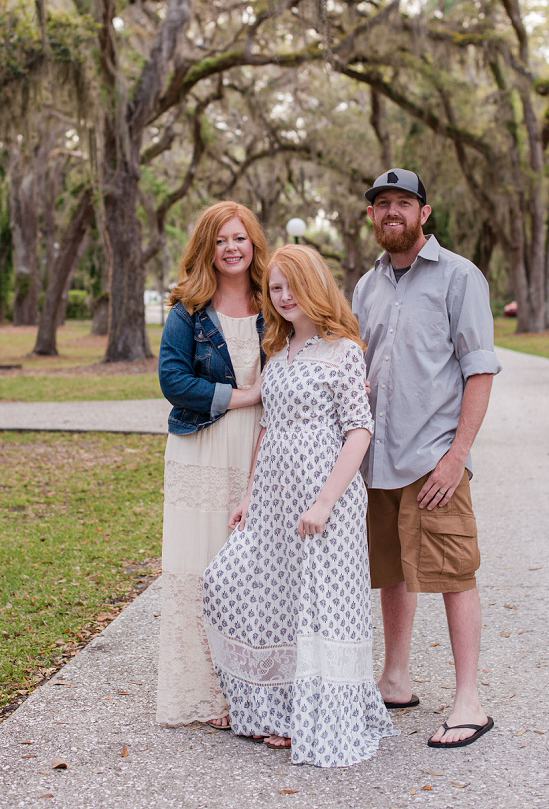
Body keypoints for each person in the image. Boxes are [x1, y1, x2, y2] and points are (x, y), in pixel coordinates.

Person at [202, 244, 392, 766]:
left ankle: (313, 718)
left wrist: (326, 502)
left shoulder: (344, 351)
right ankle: (272, 709)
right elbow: (267, 428)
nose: (283, 297)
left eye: (292, 286)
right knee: (240, 585)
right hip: (273, 497)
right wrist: (248, 496)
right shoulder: (278, 354)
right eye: (276, 288)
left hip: (325, 499)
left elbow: (359, 430)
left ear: (315, 285)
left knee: (316, 605)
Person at [352, 168, 502, 748]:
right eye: (382, 204)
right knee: (392, 570)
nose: (392, 212)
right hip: (377, 462)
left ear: (424, 212)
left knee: (454, 573)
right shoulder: (367, 287)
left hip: (432, 461)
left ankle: (470, 700)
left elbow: (480, 369)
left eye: (403, 203)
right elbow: (358, 373)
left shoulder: (459, 277)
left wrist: (456, 456)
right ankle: (394, 677)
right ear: (372, 216)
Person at [156, 201, 266, 728]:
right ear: (206, 247)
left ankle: (250, 693)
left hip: (259, 452)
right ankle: (204, 693)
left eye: (240, 238)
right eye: (221, 240)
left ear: (253, 245)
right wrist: (245, 396)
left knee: (249, 575)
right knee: (198, 569)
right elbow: (173, 382)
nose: (231, 248)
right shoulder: (187, 309)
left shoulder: (276, 301)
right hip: (200, 447)